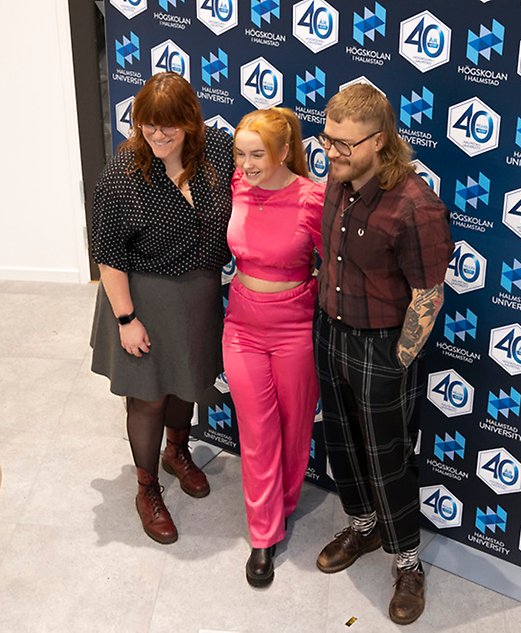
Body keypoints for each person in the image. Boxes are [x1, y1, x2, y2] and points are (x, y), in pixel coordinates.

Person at [313, 83, 453, 624]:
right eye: (328, 139)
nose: (331, 152)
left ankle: (409, 561)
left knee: (388, 457)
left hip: (382, 346)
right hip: (330, 332)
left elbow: (428, 294)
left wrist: (399, 359)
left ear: (380, 141)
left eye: (345, 144)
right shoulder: (337, 178)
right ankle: (364, 525)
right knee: (342, 441)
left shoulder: (414, 205)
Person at [89, 72, 234, 544]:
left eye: (169, 125)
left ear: (190, 122)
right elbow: (108, 256)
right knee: (149, 396)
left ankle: (178, 450)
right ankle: (146, 487)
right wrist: (126, 320)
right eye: (148, 124)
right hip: (142, 295)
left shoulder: (217, 149)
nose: (157, 135)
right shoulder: (123, 175)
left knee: (187, 382)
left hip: (198, 293)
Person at [223, 107, 324, 587]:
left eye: (257, 154)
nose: (246, 164)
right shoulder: (237, 188)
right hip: (241, 326)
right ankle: (263, 534)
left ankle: (281, 507)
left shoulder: (312, 199)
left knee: (294, 427)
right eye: (241, 153)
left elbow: (340, 264)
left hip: (295, 330)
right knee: (257, 432)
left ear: (285, 151)